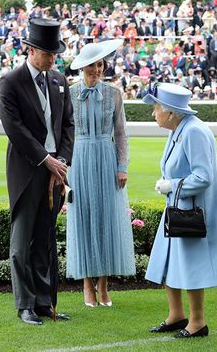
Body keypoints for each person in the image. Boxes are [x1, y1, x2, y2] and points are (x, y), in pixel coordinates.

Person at [0, 19, 75, 325]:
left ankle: (44, 303)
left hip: (56, 173)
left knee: (44, 240)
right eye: (46, 52)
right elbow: (14, 129)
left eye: (54, 52)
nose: (52, 57)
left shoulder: (58, 80)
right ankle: (25, 305)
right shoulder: (10, 82)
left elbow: (68, 124)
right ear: (30, 50)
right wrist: (46, 160)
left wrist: (62, 162)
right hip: (28, 171)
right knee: (22, 242)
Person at [143, 83, 217, 338]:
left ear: (171, 112)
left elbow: (203, 177)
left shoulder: (193, 132)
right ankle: (176, 315)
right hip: (177, 207)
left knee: (190, 266)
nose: (153, 112)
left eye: (157, 107)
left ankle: (197, 322)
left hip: (190, 212)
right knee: (168, 261)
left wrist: (172, 185)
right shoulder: (180, 129)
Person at [66, 40, 136, 307]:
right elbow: (64, 134)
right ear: (82, 67)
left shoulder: (114, 94)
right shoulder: (69, 94)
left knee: (107, 220)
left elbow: (121, 133)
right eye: (91, 66)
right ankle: (87, 285)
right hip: (79, 159)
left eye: (100, 65)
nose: (96, 70)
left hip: (106, 160)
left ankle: (104, 285)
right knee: (83, 220)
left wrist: (122, 166)